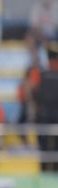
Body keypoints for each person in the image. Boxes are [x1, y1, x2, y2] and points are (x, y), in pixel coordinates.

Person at [35, 44, 58, 172]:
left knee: (45, 150)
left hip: (44, 118)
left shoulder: (42, 75)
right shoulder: (42, 75)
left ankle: (46, 172)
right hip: (48, 119)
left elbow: (35, 95)